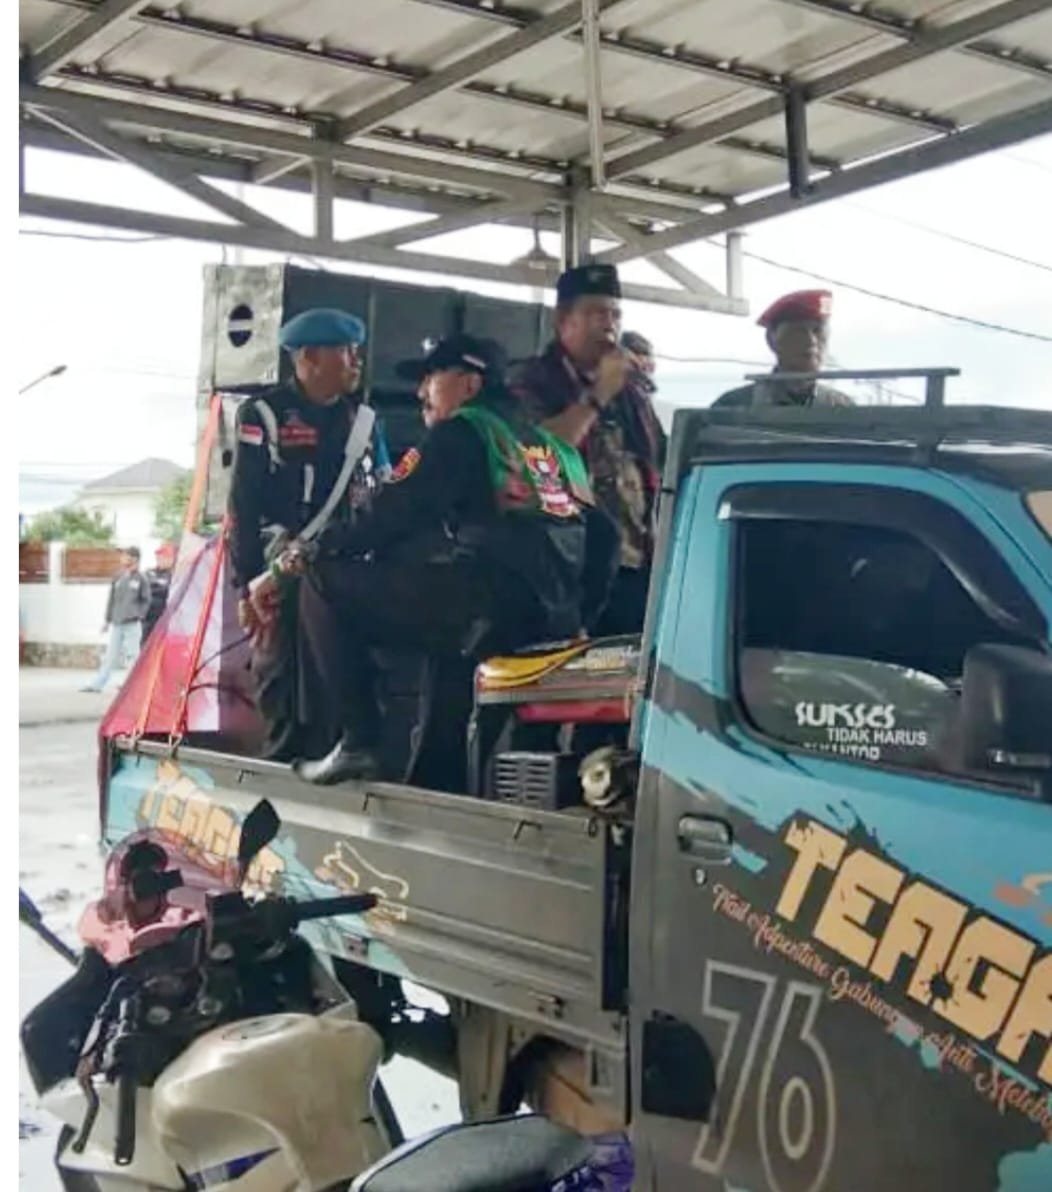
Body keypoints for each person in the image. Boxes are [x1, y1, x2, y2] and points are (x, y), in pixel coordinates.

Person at [258, 333, 615, 786]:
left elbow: (392, 512)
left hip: (489, 605)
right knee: (448, 639)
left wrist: (311, 551)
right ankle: (438, 779)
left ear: (469, 384)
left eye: (431, 378)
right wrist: (577, 617)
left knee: (323, 584)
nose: (421, 392)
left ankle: (358, 740)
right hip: (548, 620)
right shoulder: (552, 447)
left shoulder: (464, 429)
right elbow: (605, 537)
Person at [227, 306, 391, 761]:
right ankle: (283, 765)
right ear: (308, 357)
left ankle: (338, 752)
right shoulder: (264, 414)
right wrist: (247, 585)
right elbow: (243, 505)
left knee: (336, 669)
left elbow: (383, 490)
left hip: (340, 565)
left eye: (356, 351)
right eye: (345, 352)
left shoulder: (365, 421)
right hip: (279, 568)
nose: (356, 361)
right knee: (279, 672)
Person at [509, 264, 666, 637]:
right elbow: (538, 455)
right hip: (567, 569)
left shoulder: (632, 393)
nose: (610, 326)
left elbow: (661, 462)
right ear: (564, 320)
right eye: (597, 313)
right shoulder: (531, 380)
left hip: (634, 566)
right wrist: (598, 395)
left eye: (616, 315)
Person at [713, 289, 853, 408]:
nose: (811, 341)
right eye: (798, 332)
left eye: (818, 330)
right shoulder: (735, 406)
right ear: (771, 339)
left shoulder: (842, 407)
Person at [81, 547, 150, 692]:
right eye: (122, 556)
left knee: (132, 656)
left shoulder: (141, 578)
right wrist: (107, 620)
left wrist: (139, 615)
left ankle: (131, 686)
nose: (122, 558)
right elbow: (111, 599)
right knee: (110, 656)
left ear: (134, 559)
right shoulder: (118, 576)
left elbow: (146, 600)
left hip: (132, 624)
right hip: (117, 623)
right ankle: (97, 685)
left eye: (125, 556)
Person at [142, 542, 175, 642]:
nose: (159, 559)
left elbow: (167, 591)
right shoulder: (148, 572)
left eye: (163, 557)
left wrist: (154, 588)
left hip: (161, 619)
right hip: (145, 617)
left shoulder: (174, 575)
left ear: (171, 559)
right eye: (158, 556)